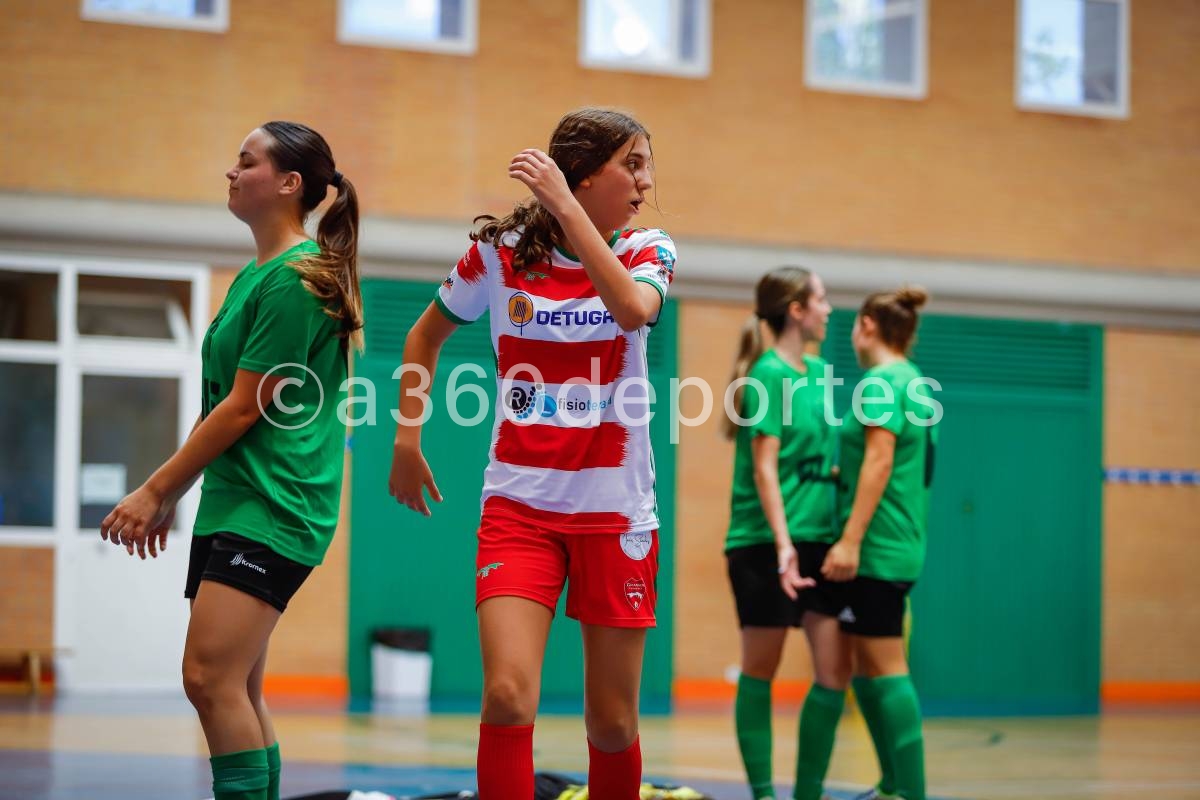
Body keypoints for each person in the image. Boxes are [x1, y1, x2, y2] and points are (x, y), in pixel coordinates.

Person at [388, 107, 675, 800]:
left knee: (611, 722)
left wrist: (567, 212)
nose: (645, 181)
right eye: (631, 164)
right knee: (509, 697)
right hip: (520, 509)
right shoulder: (499, 254)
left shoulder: (648, 250)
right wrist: (406, 437)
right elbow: (423, 337)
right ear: (583, 173)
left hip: (615, 516)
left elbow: (633, 311)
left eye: (646, 165)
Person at [100, 121, 362, 800]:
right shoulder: (258, 276)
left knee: (209, 679)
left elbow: (246, 408)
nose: (231, 172)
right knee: (236, 684)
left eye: (246, 162)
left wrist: (154, 490)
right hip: (236, 496)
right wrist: (180, 491)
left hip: (276, 503)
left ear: (287, 184)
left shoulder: (296, 280)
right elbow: (222, 400)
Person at [723, 267, 849, 800]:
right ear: (796, 310)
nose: (829, 309)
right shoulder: (768, 375)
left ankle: (808, 794)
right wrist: (783, 547)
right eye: (821, 299)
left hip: (821, 540)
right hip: (765, 543)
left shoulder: (821, 372)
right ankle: (764, 794)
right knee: (761, 667)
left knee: (833, 672)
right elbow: (765, 468)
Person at [822, 287, 938, 800]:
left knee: (886, 666)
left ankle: (910, 790)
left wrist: (849, 540)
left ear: (866, 326)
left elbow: (880, 461)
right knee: (867, 666)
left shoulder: (880, 383)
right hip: (898, 541)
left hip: (877, 548)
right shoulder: (912, 382)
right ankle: (892, 781)